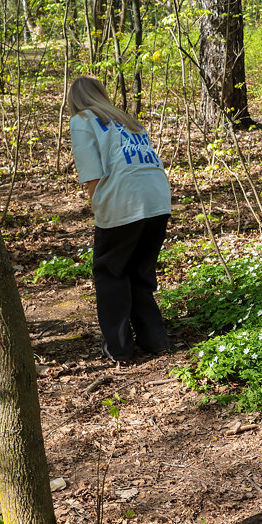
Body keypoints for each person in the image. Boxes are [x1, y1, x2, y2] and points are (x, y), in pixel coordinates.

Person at [67, 75, 172, 362]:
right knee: (139, 272)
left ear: (73, 100)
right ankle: (155, 339)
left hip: (125, 200)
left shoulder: (83, 120)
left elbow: (92, 176)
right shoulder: (127, 120)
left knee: (111, 273)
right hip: (158, 199)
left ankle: (119, 348)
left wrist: (100, 210)